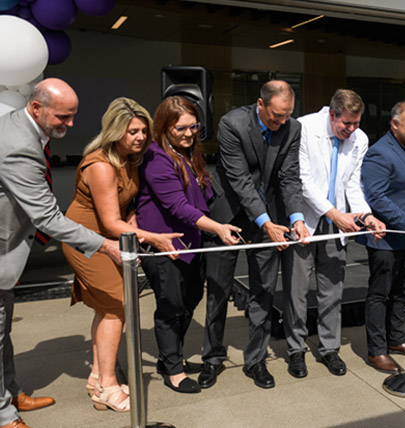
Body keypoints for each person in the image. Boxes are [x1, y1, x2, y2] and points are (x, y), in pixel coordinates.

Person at [0, 79, 121, 428]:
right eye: (63, 117)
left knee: (3, 329)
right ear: (36, 108)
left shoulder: (19, 124)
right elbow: (47, 217)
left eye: (72, 116)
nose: (69, 124)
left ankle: (11, 392)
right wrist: (103, 244)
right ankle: (5, 415)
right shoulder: (19, 145)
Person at [63, 97, 181, 412]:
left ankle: (97, 378)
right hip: (85, 239)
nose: (140, 137)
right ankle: (108, 386)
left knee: (107, 307)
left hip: (110, 238)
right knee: (116, 306)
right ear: (115, 132)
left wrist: (133, 223)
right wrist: (153, 237)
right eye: (132, 132)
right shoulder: (101, 165)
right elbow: (109, 221)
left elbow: (124, 208)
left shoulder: (131, 159)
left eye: (143, 130)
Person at [200, 80, 310, 390]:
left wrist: (296, 218)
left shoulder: (293, 128)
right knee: (219, 289)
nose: (281, 122)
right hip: (229, 215)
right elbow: (239, 180)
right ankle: (212, 358)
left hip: (271, 219)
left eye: (287, 115)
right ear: (260, 105)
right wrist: (265, 222)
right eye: (276, 115)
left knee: (263, 288)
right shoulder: (231, 124)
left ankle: (256, 360)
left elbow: (290, 176)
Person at [137, 96, 241, 393]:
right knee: (170, 308)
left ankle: (171, 357)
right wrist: (218, 227)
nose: (189, 133)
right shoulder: (156, 158)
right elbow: (179, 207)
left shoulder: (186, 154)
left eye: (193, 127)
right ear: (164, 126)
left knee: (189, 300)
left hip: (190, 245)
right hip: (166, 247)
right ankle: (172, 370)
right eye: (180, 128)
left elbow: (201, 196)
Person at [282, 89, 385, 377]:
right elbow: (302, 180)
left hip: (337, 219)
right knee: (297, 291)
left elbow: (352, 182)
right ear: (331, 115)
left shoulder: (359, 139)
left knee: (332, 290)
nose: (351, 130)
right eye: (345, 124)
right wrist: (334, 214)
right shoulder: (303, 128)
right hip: (303, 218)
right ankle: (296, 350)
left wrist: (365, 215)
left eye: (356, 124)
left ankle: (330, 349)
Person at [358, 101, 405, 373]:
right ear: (395, 124)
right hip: (386, 237)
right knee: (380, 293)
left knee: (401, 290)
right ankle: (376, 350)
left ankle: (396, 338)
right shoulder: (379, 153)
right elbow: (376, 197)